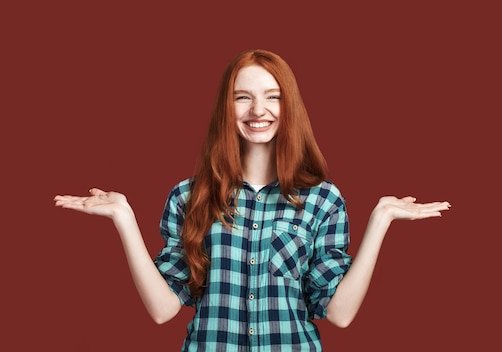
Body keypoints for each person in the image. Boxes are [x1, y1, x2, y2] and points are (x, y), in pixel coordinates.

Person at [54, 49, 450, 351]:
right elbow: (163, 310)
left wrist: (380, 220)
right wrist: (124, 218)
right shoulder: (188, 196)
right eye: (243, 97)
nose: (258, 110)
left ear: (288, 106)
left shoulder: (322, 199)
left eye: (272, 97)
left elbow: (340, 314)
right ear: (227, 107)